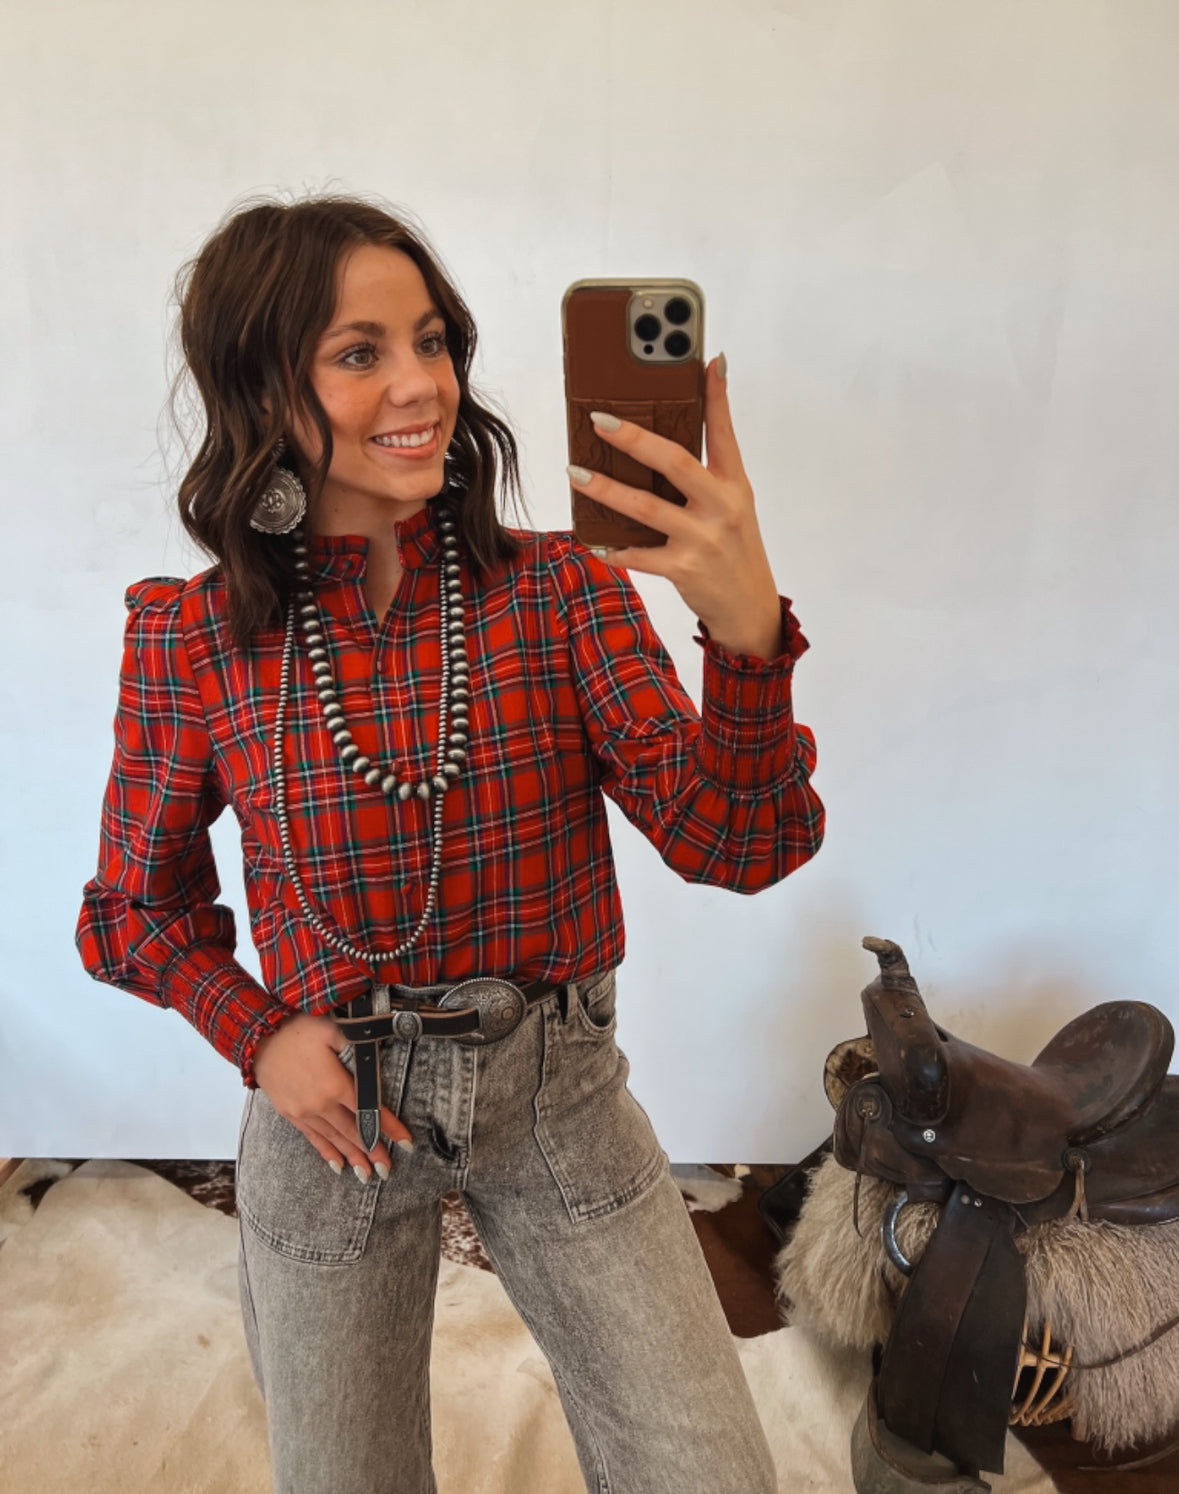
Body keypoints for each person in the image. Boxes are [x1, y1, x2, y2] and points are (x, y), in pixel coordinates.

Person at [77, 195, 824, 1494]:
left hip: (558, 1100)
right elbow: (132, 913)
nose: (422, 383)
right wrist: (260, 1036)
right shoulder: (191, 642)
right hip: (333, 1126)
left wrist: (747, 636)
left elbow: (738, 846)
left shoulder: (561, 593)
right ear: (263, 387)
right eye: (360, 352)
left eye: (431, 340)